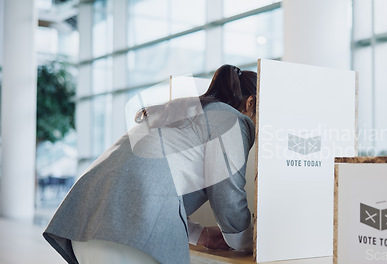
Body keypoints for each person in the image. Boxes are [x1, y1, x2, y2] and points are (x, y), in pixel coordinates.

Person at [43, 64, 257, 264]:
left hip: (85, 228)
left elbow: (147, 180)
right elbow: (227, 195)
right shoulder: (233, 120)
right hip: (129, 237)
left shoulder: (181, 110)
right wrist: (252, 242)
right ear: (251, 103)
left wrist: (199, 234)